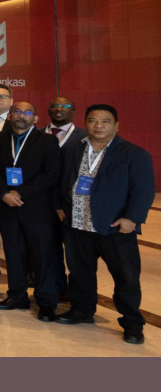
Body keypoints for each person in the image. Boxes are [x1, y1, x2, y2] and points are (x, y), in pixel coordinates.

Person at [55, 104, 152, 345]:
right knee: (79, 272)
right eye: (93, 120)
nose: (98, 126)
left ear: (116, 125)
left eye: (105, 121)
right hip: (77, 223)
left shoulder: (134, 153)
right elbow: (61, 179)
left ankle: (132, 323)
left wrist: (132, 218)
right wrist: (59, 205)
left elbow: (143, 190)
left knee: (126, 277)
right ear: (85, 123)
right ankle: (82, 310)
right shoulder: (73, 149)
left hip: (114, 226)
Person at [0, 101, 63, 320]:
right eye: (17, 111)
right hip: (7, 207)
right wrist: (4, 193)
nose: (21, 115)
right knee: (13, 254)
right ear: (10, 116)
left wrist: (20, 193)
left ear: (35, 118)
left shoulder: (48, 141)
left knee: (43, 256)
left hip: (37, 208)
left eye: (27, 112)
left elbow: (51, 173)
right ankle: (17, 295)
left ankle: (46, 302)